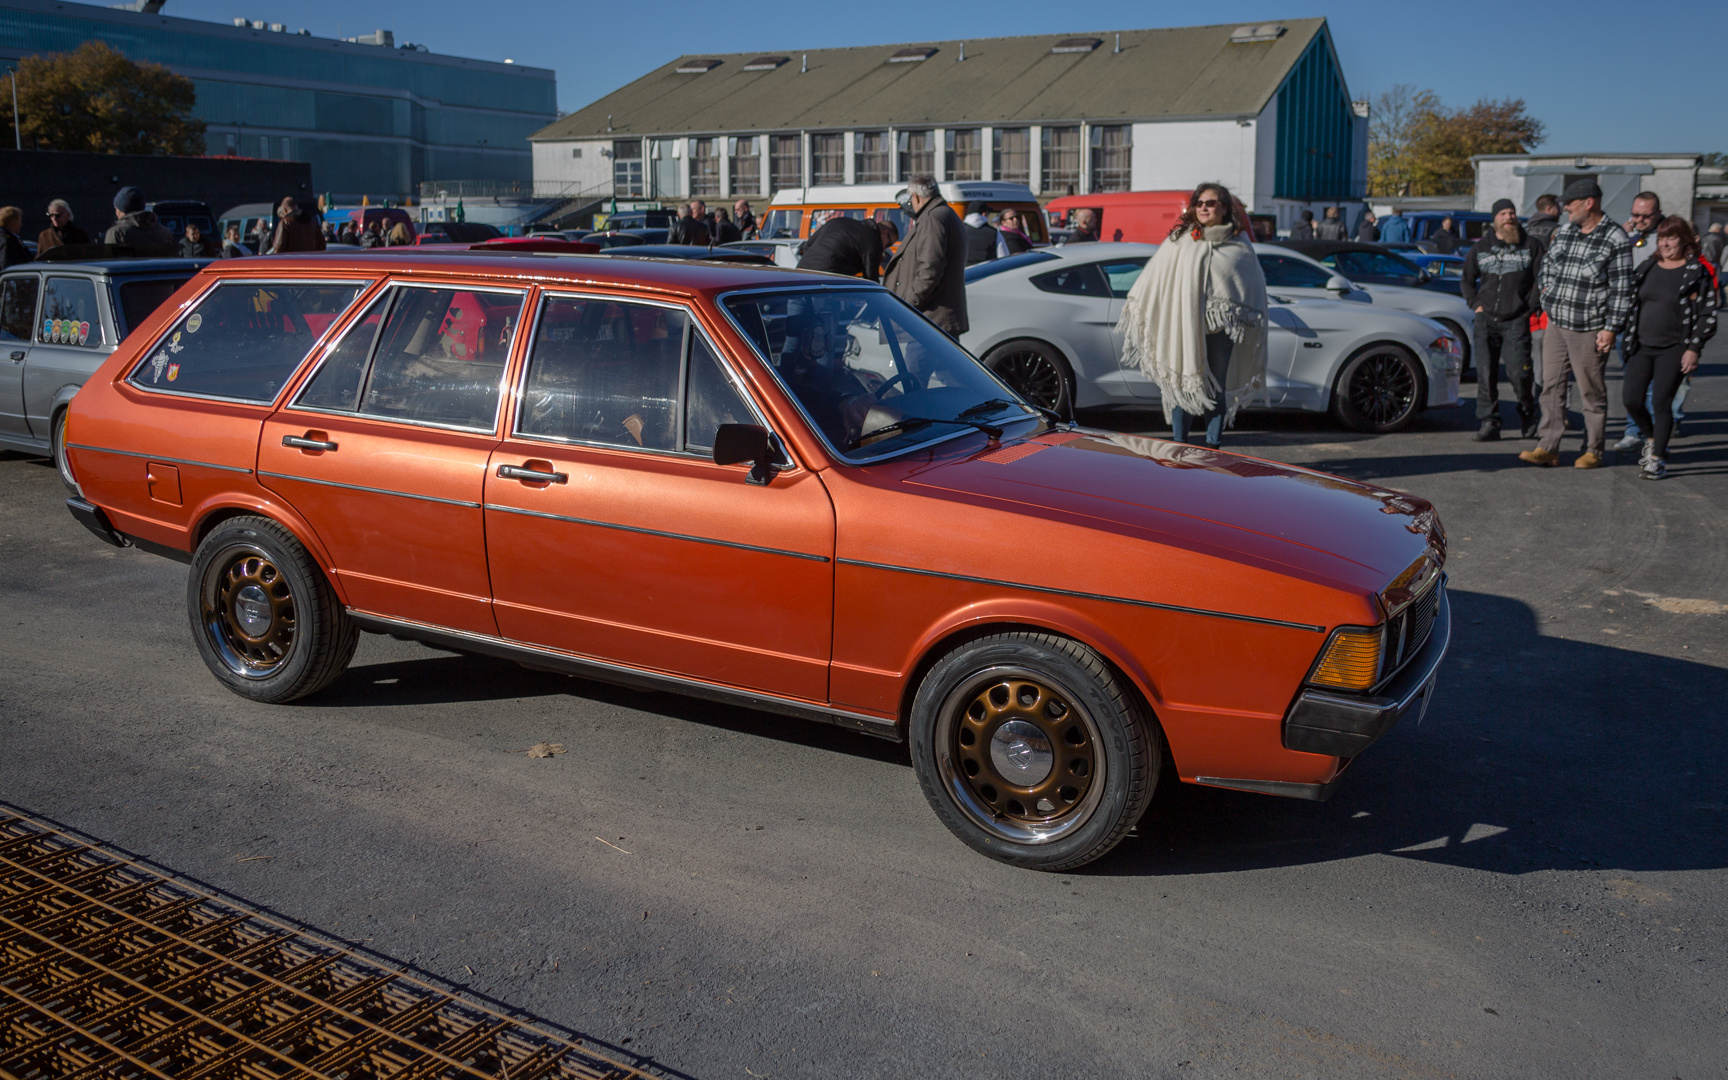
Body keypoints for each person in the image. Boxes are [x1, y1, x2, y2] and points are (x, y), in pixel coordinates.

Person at [1116, 182, 1268, 450]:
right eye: (1199, 203)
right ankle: (1179, 446)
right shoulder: (1182, 240)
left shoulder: (1239, 243)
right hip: (1183, 324)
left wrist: (1236, 313)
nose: (1204, 208)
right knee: (1181, 382)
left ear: (1224, 208)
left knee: (1216, 389)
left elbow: (1251, 286)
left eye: (1210, 203)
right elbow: (1155, 278)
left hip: (1220, 331)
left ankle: (1213, 447)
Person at [1520, 179, 1633, 469]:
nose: (1565, 208)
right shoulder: (1566, 231)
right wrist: (1546, 293)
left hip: (1590, 328)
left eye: (1570, 202)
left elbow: (1622, 289)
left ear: (1589, 203)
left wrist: (1610, 328)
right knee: (1551, 387)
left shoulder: (1615, 238)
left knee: (1590, 391)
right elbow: (1547, 267)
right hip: (1557, 323)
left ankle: (1593, 449)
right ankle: (1548, 447)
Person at [1619, 217, 1716, 480]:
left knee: (1662, 402)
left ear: (1685, 241)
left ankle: (1657, 458)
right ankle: (1652, 437)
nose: (1664, 243)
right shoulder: (1648, 266)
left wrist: (1693, 348)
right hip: (1641, 345)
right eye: (1661, 238)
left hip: (1674, 348)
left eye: (1671, 238)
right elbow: (1630, 302)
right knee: (1631, 399)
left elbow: (1708, 314)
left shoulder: (1696, 272)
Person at [1461, 199, 1544, 440]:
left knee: (1520, 373)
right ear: (1494, 219)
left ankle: (1528, 411)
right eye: (1503, 213)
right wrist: (1475, 305)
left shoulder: (1531, 246)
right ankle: (1490, 422)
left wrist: (1529, 308)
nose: (1509, 217)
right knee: (1486, 374)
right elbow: (1467, 280)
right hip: (1485, 320)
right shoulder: (1481, 248)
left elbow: (1541, 280)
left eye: (1512, 213)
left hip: (1516, 320)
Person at [883, 175, 968, 335]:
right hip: (937, 319)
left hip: (930, 319)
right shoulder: (943, 214)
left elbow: (930, 270)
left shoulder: (932, 218)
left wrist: (907, 305)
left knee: (916, 360)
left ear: (915, 196)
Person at [799, 216, 893, 280]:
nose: (885, 248)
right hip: (827, 279)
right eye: (888, 244)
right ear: (884, 233)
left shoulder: (838, 221)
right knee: (826, 309)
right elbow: (870, 275)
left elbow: (807, 246)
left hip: (801, 273)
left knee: (798, 306)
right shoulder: (872, 239)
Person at [105, 187, 177, 255]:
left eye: (116, 208)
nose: (116, 212)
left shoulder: (117, 233)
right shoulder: (165, 233)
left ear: (122, 210)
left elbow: (110, 262)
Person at [1623, 191, 1664, 269]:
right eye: (1635, 215)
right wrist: (1622, 236)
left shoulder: (1666, 235)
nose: (1640, 219)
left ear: (1658, 214)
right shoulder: (1624, 233)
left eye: (1646, 216)